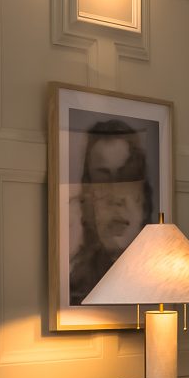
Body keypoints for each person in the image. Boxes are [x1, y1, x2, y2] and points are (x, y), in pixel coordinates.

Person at [69, 119, 154, 306]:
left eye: (127, 177)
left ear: (144, 198)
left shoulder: (159, 279)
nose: (116, 197)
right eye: (102, 178)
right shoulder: (74, 284)